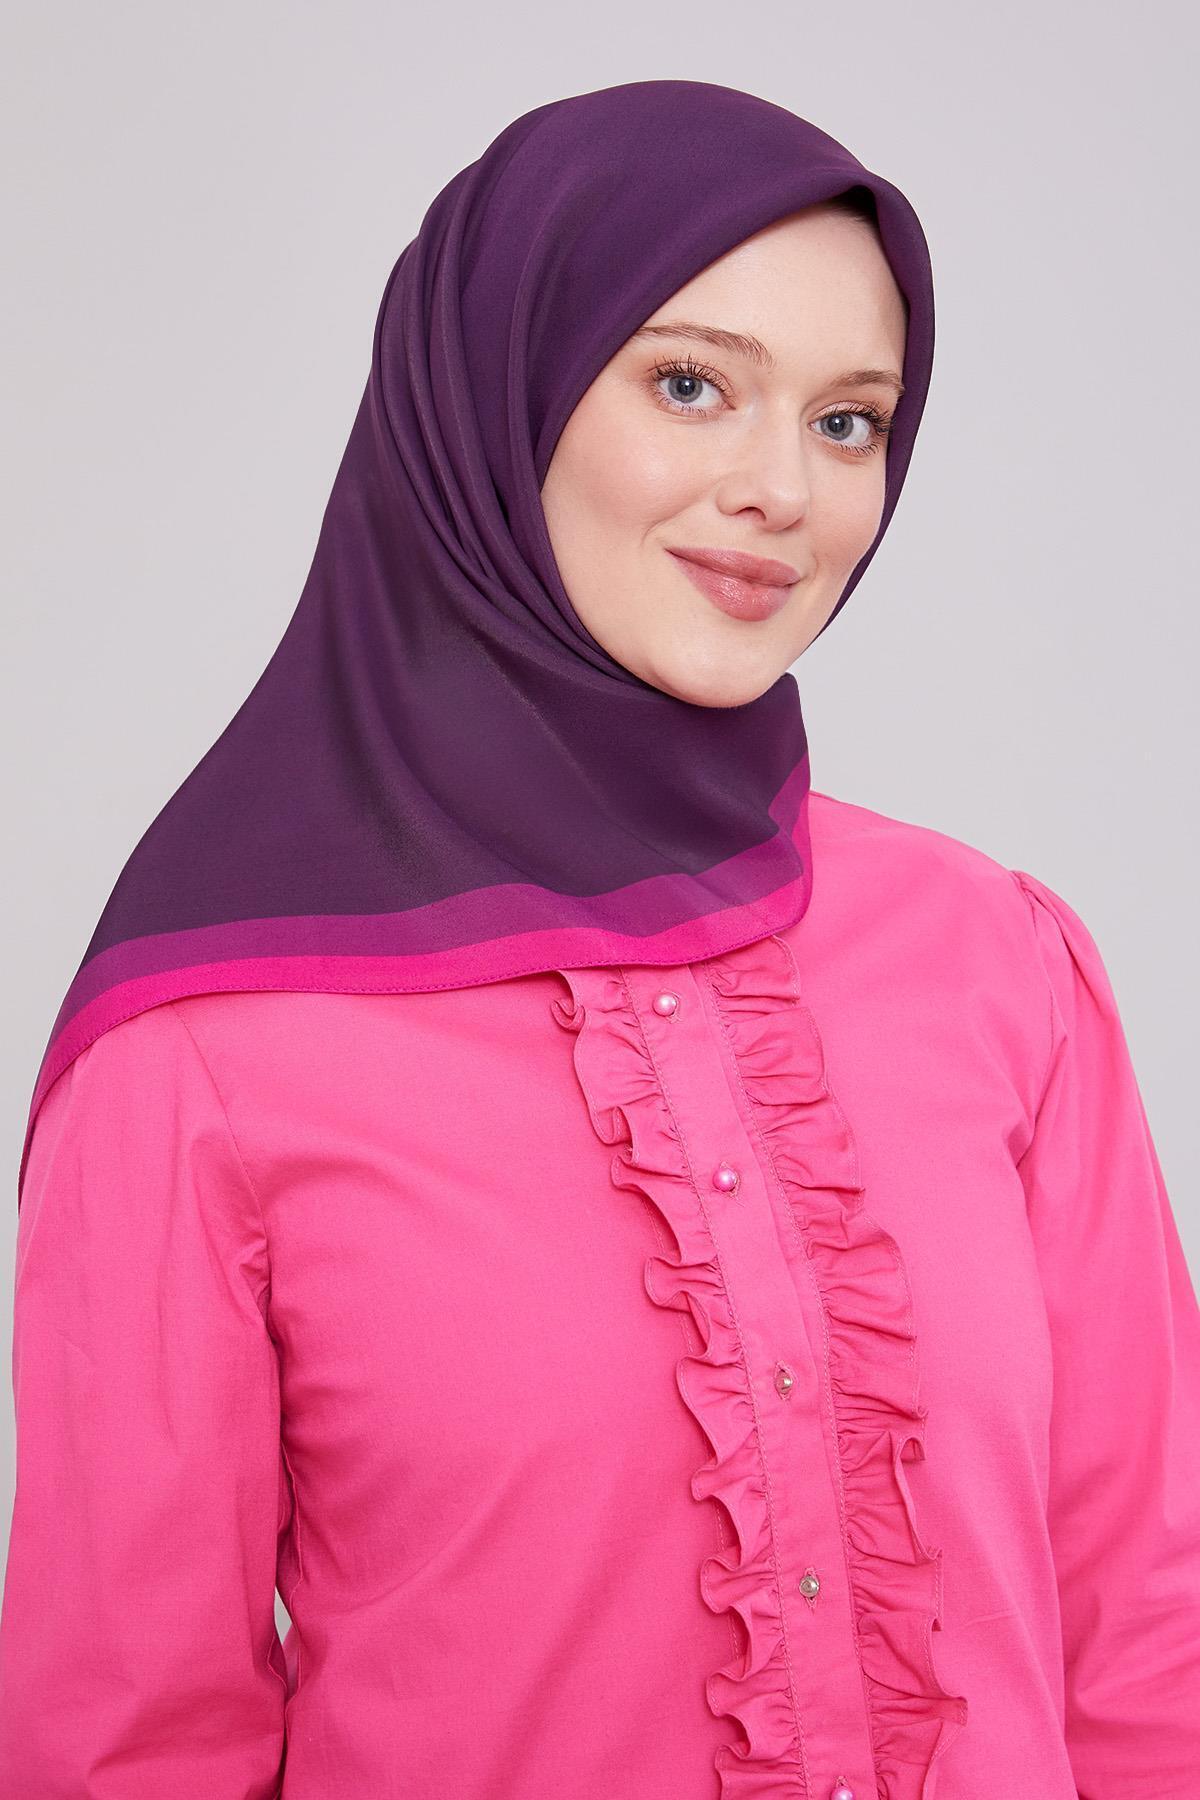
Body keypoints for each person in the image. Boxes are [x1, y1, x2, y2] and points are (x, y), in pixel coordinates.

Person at [1, 77, 1197, 1800]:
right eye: (691, 384)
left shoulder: (998, 963)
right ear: (502, 389)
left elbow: (1151, 1639)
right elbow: (127, 1746)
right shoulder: (199, 1044)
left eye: (848, 421)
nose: (782, 491)